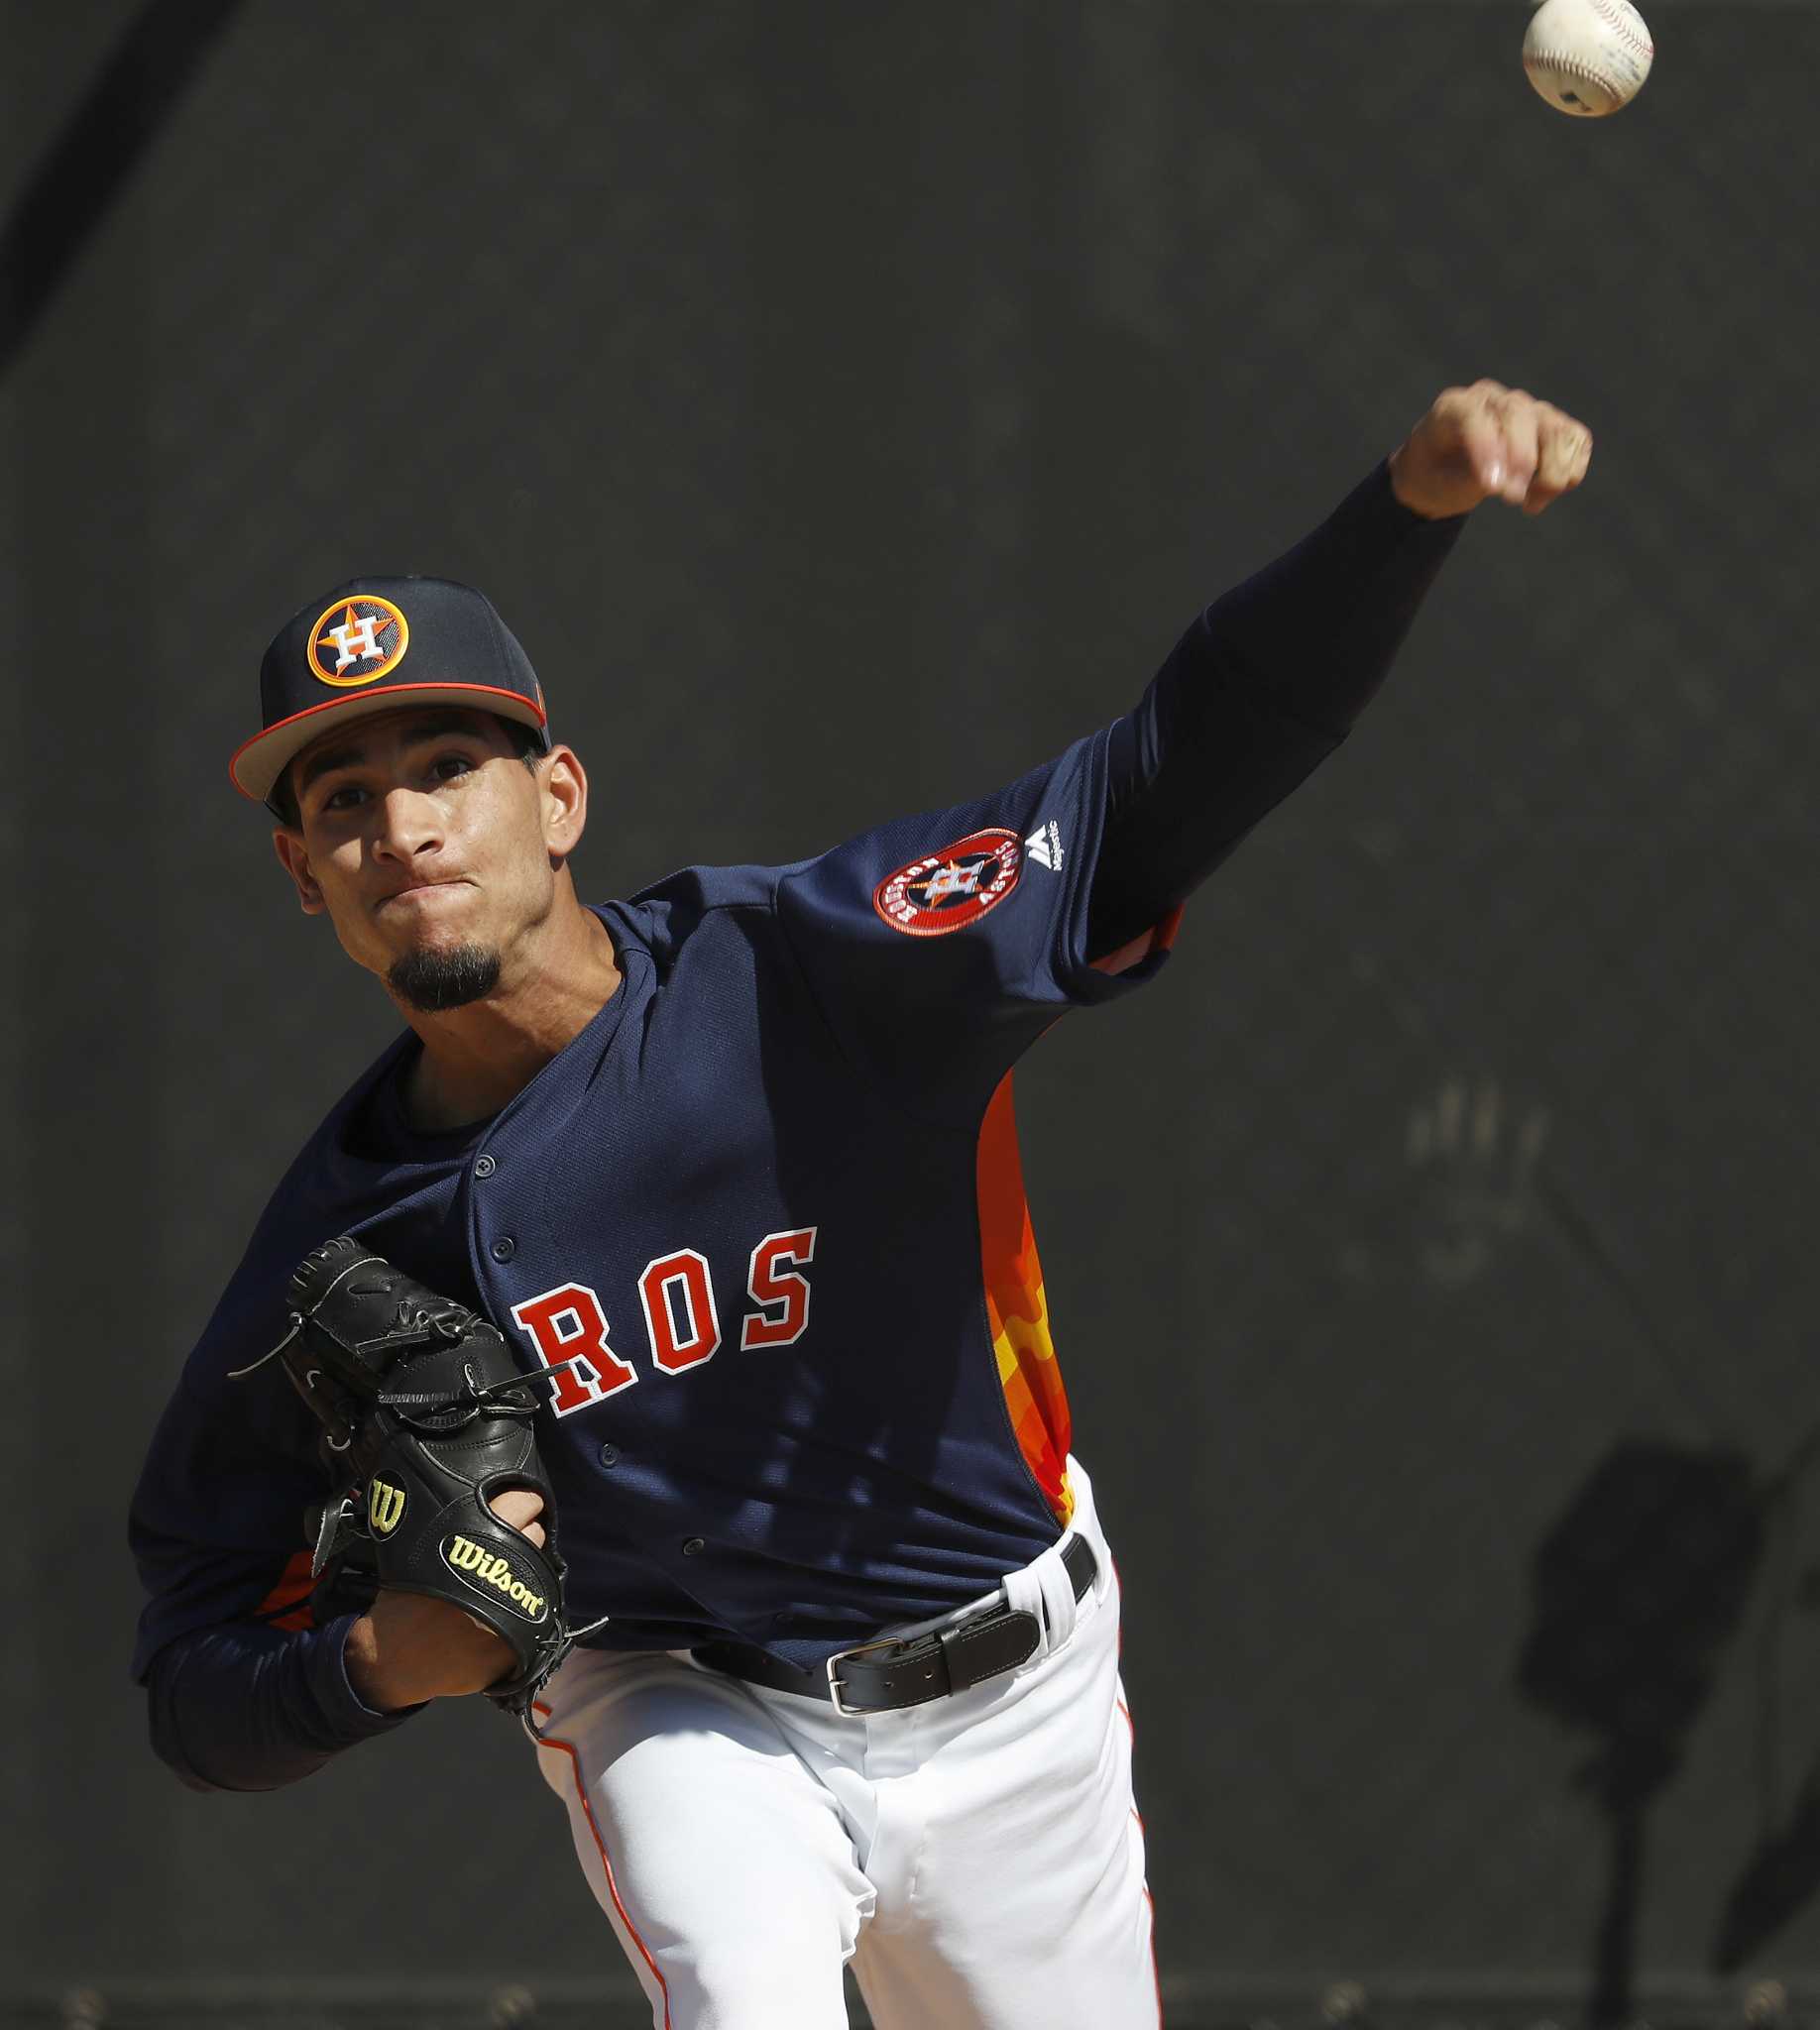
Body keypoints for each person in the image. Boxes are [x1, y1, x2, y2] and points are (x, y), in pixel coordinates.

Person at [131, 382, 1592, 2030]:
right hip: (679, 1701)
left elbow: (1167, 778)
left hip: (1013, 1691)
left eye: (447, 765)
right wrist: (379, 1666)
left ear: (557, 800)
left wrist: (1401, 515)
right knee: (739, 1993)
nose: (399, 826)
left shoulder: (814, 970)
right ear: (304, 874)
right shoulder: (342, 1240)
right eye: (341, 803)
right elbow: (188, 1659)